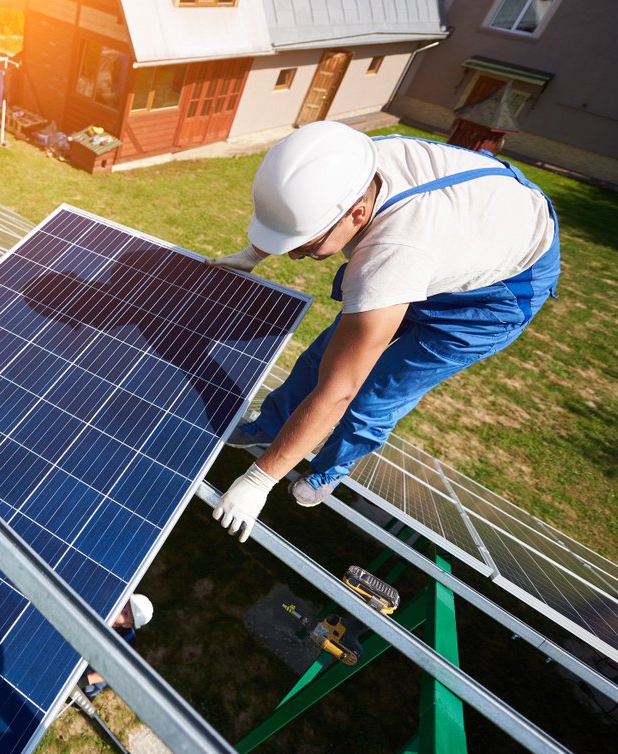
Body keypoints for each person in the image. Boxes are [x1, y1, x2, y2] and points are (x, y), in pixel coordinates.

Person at [210, 121, 560, 542]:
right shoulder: (344, 164)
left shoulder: (392, 256)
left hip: (494, 295)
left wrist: (258, 480)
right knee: (319, 360)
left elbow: (339, 390)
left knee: (375, 394)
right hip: (463, 231)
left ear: (358, 214)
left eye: (302, 246)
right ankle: (271, 425)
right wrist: (254, 251)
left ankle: (327, 472)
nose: (296, 256)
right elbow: (293, 214)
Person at [80, 593, 154, 698]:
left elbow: (116, 671)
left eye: (126, 614)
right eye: (124, 605)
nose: (121, 610)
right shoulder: (100, 606)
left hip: (95, 670)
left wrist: (84, 681)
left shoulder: (127, 642)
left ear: (127, 624)